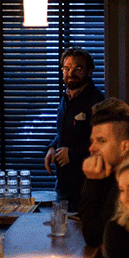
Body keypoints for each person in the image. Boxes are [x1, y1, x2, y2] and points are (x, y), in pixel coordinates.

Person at [44, 46, 104, 211]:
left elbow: (102, 142)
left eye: (78, 69)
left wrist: (72, 153)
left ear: (89, 71)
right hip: (63, 184)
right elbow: (63, 131)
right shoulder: (66, 97)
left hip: (85, 185)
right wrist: (52, 147)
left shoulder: (97, 100)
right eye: (67, 68)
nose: (70, 73)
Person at [78, 97, 129, 247]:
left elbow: (93, 236)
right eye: (92, 141)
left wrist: (92, 181)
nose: (92, 148)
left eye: (101, 141)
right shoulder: (111, 169)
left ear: (125, 147)